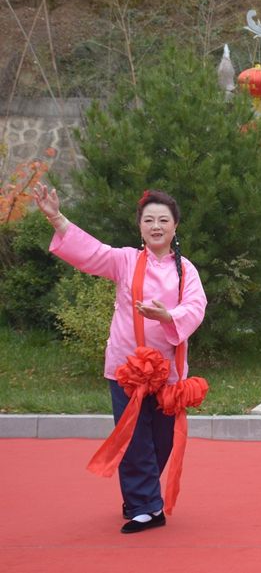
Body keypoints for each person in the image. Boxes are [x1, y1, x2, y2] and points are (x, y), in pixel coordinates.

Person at [33, 184, 207, 534]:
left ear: (175, 226)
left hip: (168, 372)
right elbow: (90, 252)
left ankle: (142, 495)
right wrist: (56, 217)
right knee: (134, 437)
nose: (156, 226)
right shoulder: (125, 260)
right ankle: (146, 507)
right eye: (149, 220)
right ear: (140, 226)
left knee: (162, 440)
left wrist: (167, 316)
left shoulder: (186, 270)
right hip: (128, 368)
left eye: (163, 220)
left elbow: (196, 306)